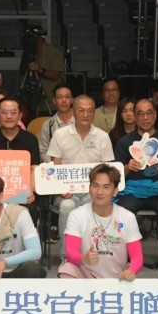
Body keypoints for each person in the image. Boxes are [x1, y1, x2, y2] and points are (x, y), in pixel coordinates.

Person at [59, 164, 143, 281]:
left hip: (117, 278)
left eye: (106, 187)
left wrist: (131, 271)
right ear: (89, 188)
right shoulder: (77, 215)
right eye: (95, 186)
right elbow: (70, 252)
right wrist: (83, 258)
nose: (99, 192)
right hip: (86, 275)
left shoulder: (127, 217)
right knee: (67, 269)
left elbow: (137, 257)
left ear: (115, 191)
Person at [46, 94, 114, 230]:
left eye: (90, 111)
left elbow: (107, 171)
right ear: (73, 112)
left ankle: (93, 243)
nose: (85, 115)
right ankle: (67, 245)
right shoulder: (60, 134)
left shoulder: (102, 136)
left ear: (94, 114)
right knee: (67, 206)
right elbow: (54, 168)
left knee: (95, 205)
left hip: (94, 190)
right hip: (66, 191)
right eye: (81, 110)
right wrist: (61, 189)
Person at [114, 98, 158, 226]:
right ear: (135, 116)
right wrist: (127, 168)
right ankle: (126, 239)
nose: (145, 117)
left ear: (155, 115)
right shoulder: (124, 142)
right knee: (124, 208)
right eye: (140, 113)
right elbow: (115, 175)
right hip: (131, 192)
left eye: (149, 113)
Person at [24, 30, 65, 111]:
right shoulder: (28, 54)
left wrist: (40, 70)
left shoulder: (54, 52)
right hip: (32, 102)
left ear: (40, 39)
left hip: (50, 103)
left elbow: (56, 75)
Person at [35, 83, 73, 157]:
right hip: (55, 163)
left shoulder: (81, 122)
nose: (64, 100)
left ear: (72, 100)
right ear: (54, 100)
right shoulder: (48, 124)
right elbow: (43, 151)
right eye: (59, 97)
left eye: (67, 97)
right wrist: (55, 163)